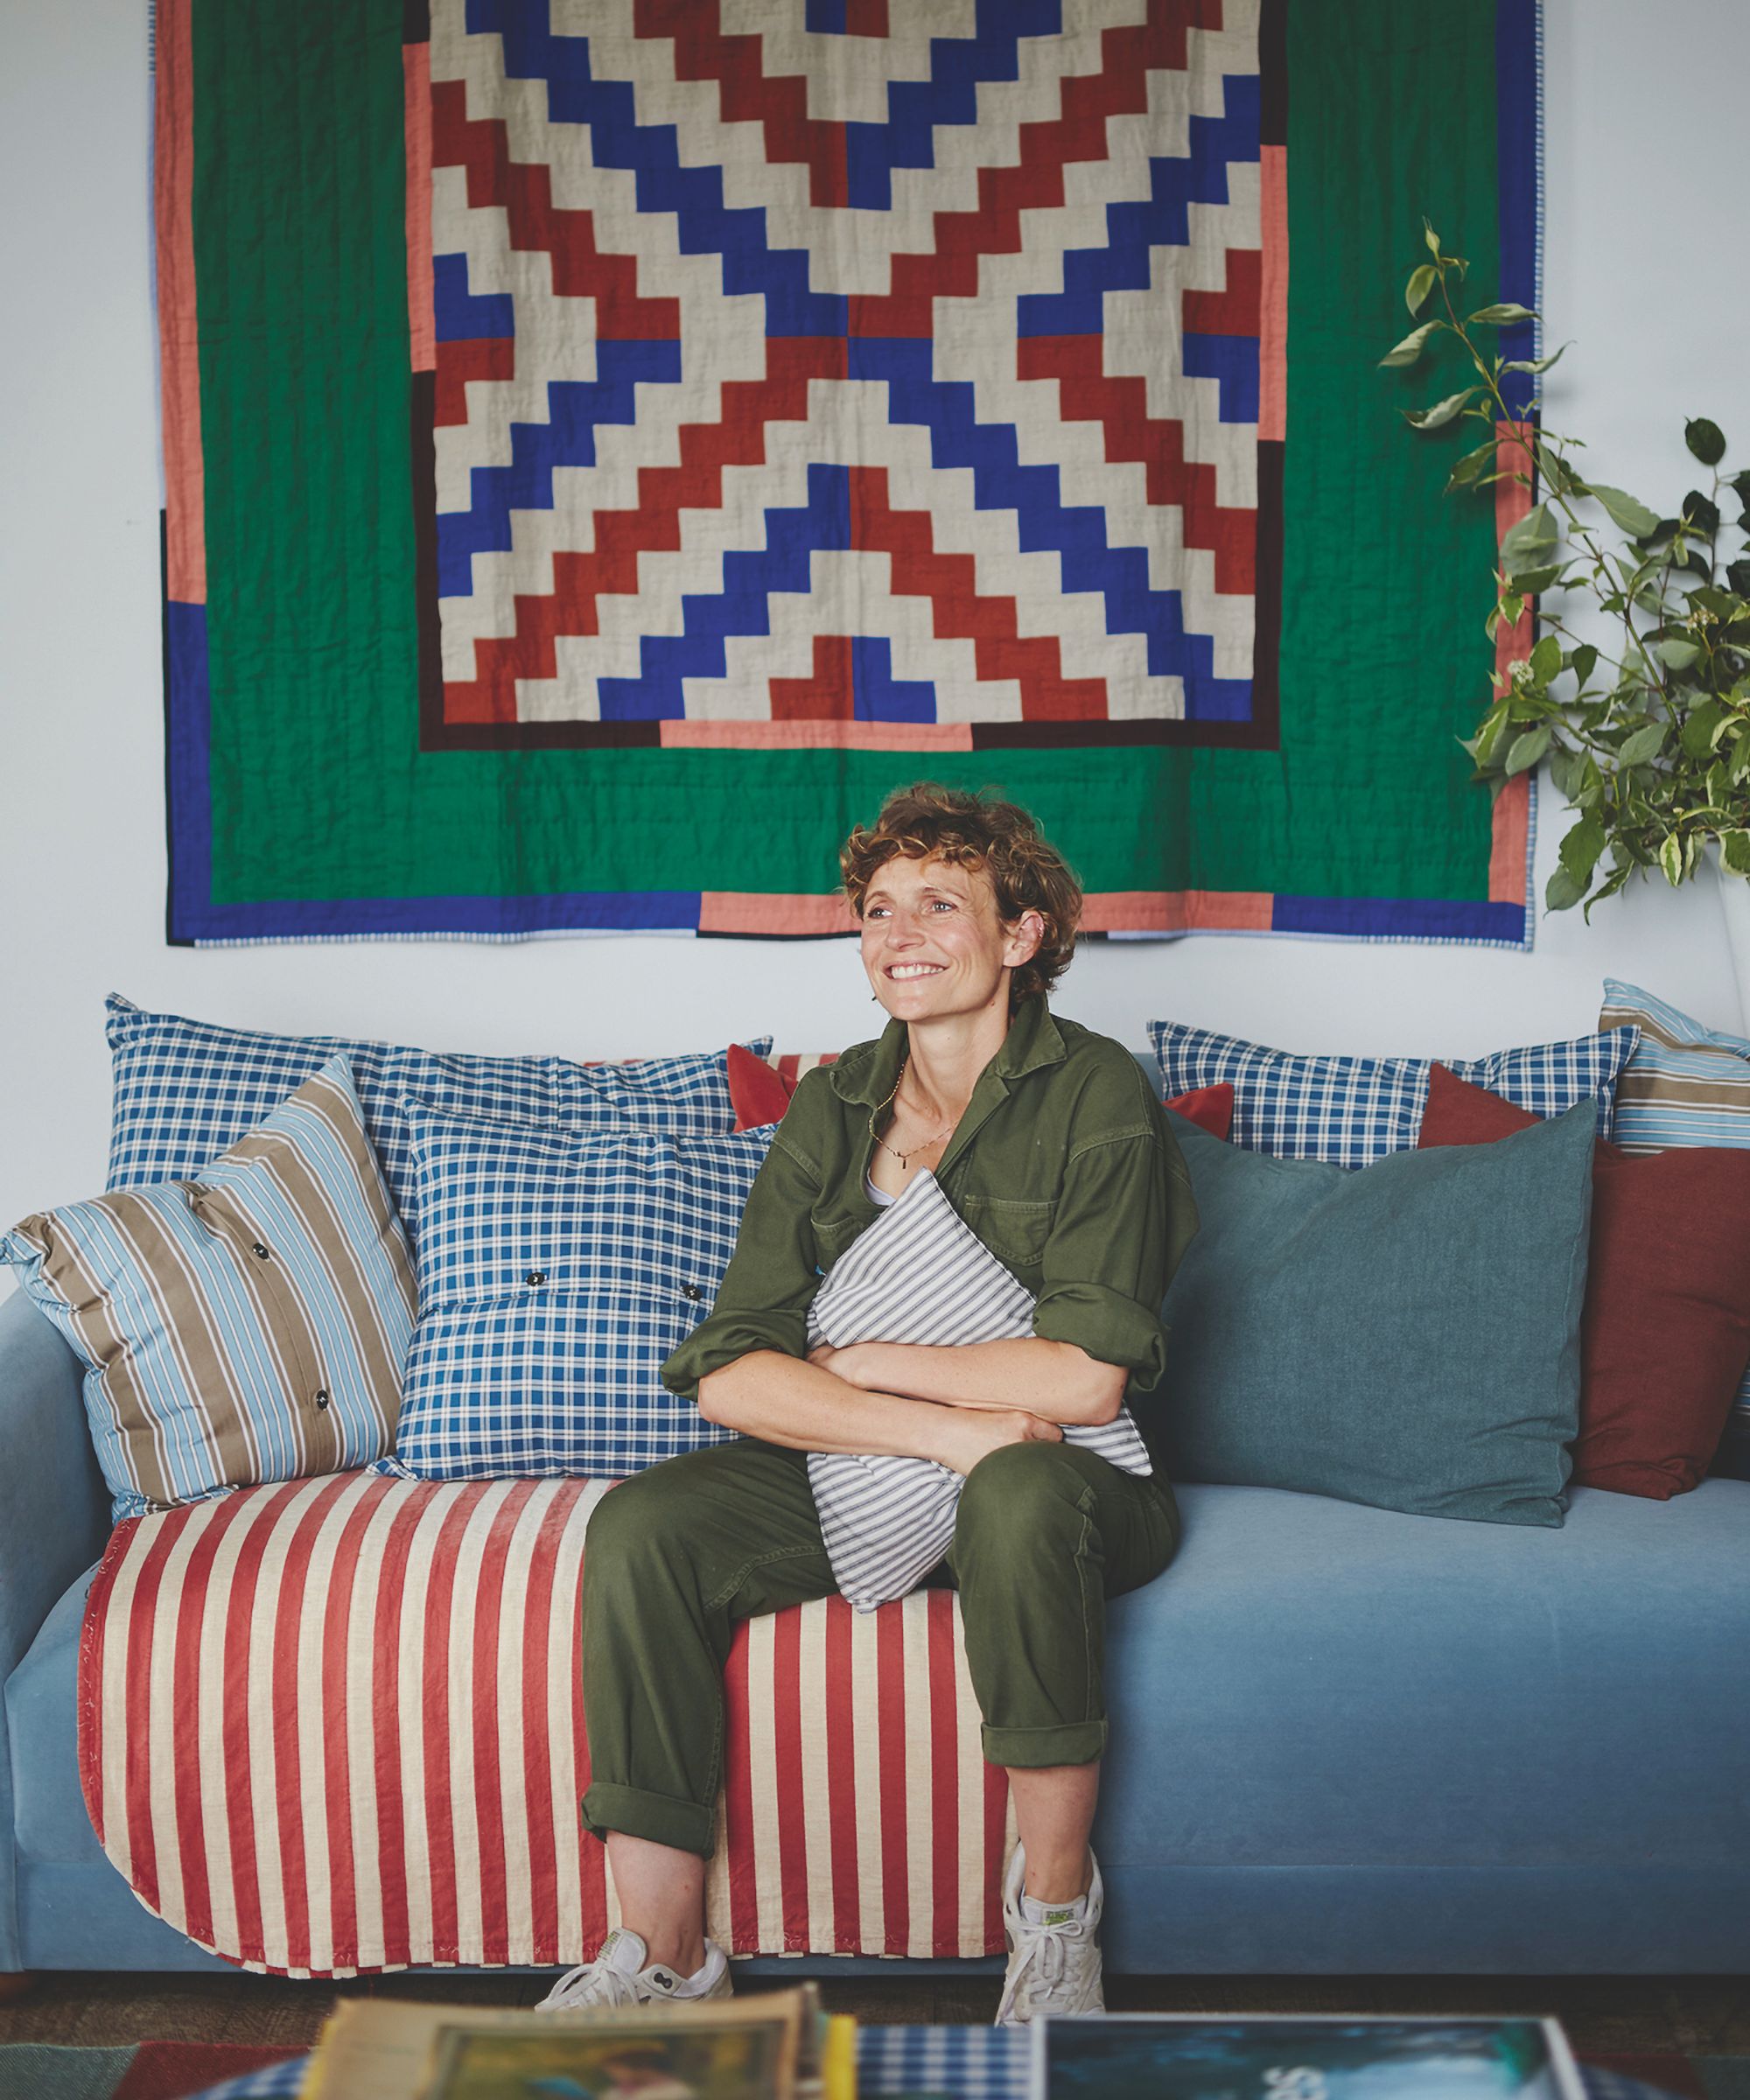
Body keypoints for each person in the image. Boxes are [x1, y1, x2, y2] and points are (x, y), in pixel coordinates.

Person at [539, 784, 1198, 2025]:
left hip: (1072, 1484)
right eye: (879, 909)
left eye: (941, 904)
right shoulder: (832, 1104)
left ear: (1022, 934)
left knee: (1013, 1488)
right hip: (894, 1471)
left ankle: (1057, 1931)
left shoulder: (1096, 1090)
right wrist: (947, 1429)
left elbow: (1084, 1377)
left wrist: (863, 1362)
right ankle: (661, 1956)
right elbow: (731, 1369)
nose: (900, 933)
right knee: (645, 1524)